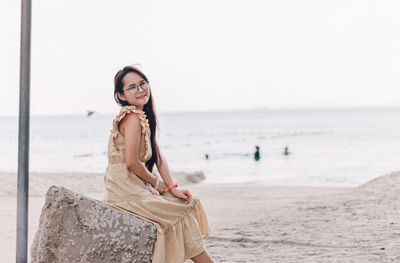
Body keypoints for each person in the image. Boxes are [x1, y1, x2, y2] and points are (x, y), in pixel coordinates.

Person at [102, 66, 214, 263]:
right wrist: (155, 182)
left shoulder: (140, 116)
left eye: (143, 84)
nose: (140, 89)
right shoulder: (132, 118)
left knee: (181, 201)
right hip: (123, 191)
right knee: (181, 210)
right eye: (132, 87)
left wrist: (172, 187)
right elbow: (131, 162)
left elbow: (158, 156)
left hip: (130, 185)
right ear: (121, 95)